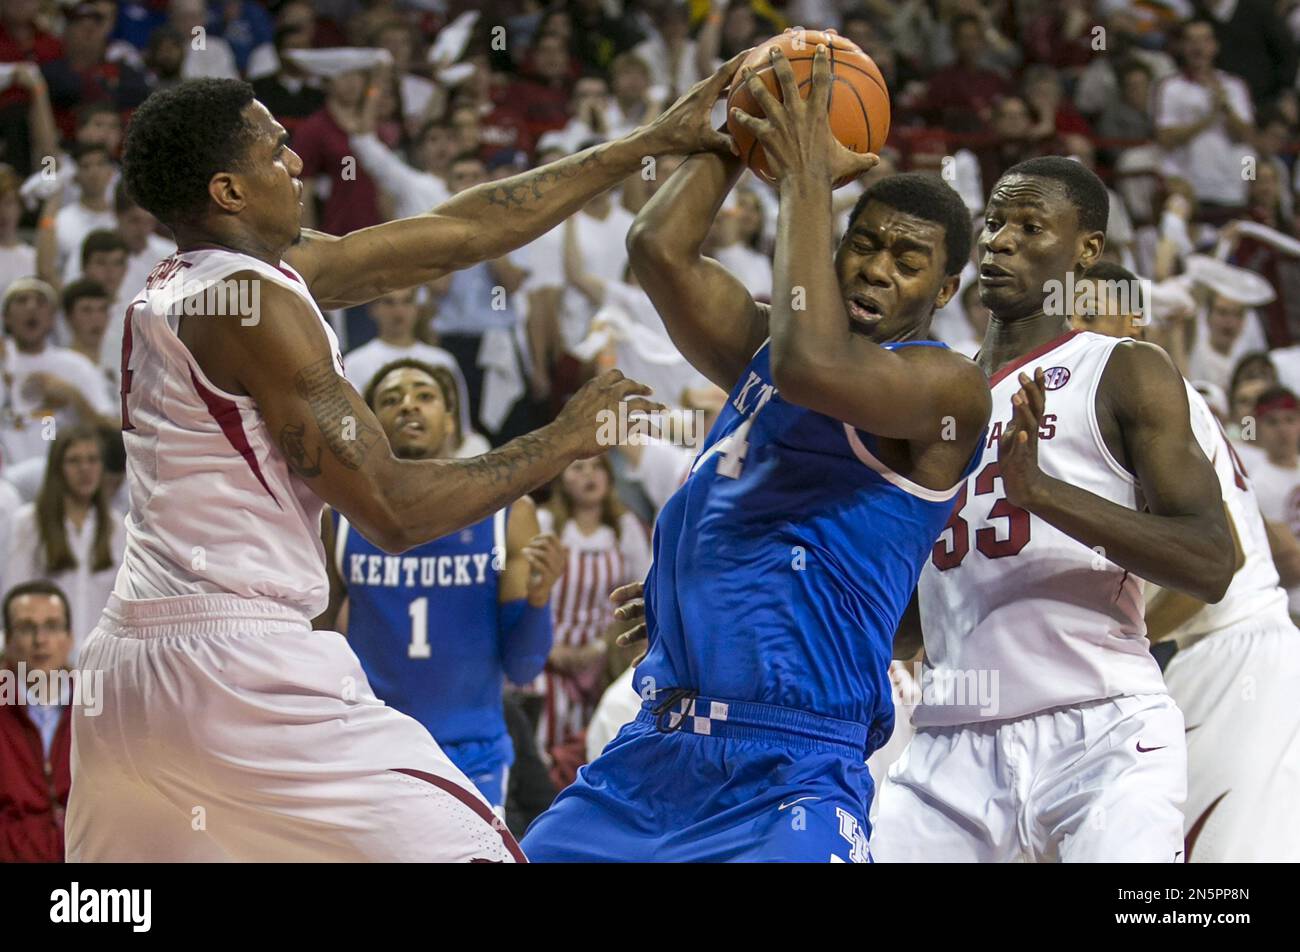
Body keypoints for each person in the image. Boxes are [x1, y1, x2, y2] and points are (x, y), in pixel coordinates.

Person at [65, 62, 743, 863]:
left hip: (125, 675)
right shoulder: (258, 310)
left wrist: (648, 142)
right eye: (275, 150)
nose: (296, 163)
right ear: (228, 192)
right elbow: (393, 508)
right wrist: (561, 439)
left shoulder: (197, 285)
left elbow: (464, 233)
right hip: (238, 668)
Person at [522, 45, 992, 862]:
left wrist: (806, 175)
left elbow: (815, 366)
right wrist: (746, 136)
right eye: (864, 245)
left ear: (944, 293)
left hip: (793, 770)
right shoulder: (768, 341)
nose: (876, 270)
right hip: (656, 748)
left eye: (907, 262)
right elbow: (658, 249)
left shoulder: (945, 388)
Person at [872, 156, 1234, 863]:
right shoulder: (929, 395)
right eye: (995, 223)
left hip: (1101, 731)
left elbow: (1211, 562)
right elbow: (907, 623)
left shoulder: (1124, 369)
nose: (1001, 241)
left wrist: (1042, 494)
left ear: (1086, 250)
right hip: (951, 744)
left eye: (1031, 226)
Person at [1068, 263, 1300, 862]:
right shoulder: (1139, 401)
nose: (1078, 329)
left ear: (1135, 322)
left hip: (1236, 648)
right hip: (1235, 651)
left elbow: (1216, 571)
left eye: (1093, 315)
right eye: (1069, 314)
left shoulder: (1156, 393)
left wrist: (1120, 648)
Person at [317, 359, 565, 812]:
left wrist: (538, 600)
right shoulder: (339, 519)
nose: (408, 404)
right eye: (390, 399)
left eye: (424, 395)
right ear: (372, 425)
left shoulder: (507, 513)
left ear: (451, 420)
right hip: (374, 747)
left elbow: (524, 668)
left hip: (472, 755)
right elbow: (318, 645)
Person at [531, 454, 651, 781]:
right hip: (549, 655)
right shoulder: (544, 523)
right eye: (578, 467)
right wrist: (551, 650)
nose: (589, 475)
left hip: (604, 656)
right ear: (561, 480)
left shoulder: (625, 528)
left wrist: (602, 648)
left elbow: (644, 594)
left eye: (598, 467)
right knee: (544, 743)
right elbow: (525, 589)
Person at [6, 424, 124, 652]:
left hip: (98, 660)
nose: (85, 469)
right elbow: (15, 598)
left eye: (92, 460)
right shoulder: (30, 521)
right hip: (44, 661)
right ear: (57, 468)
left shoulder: (116, 525)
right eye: (74, 461)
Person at [0, 581, 76, 862]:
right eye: (26, 627)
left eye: (52, 626)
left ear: (70, 638)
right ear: (7, 640)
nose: (40, 639)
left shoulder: (96, 710)